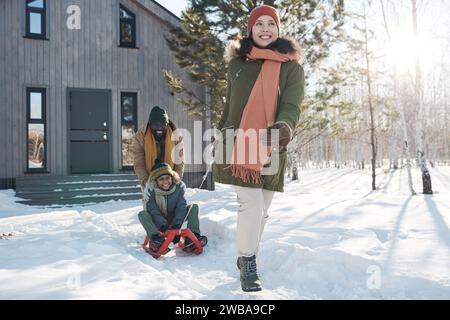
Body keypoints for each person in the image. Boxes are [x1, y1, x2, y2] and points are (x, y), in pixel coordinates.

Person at [213, 5, 305, 292]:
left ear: (278, 29)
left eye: (271, 24)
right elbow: (230, 104)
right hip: (236, 143)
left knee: (262, 211)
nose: (265, 28)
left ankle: (245, 256)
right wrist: (221, 133)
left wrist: (285, 126)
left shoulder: (291, 67)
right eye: (259, 24)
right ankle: (248, 261)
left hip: (272, 142)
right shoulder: (236, 64)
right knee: (250, 205)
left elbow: (292, 104)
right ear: (250, 29)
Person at [138, 162, 206, 253]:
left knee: (193, 207)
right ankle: (157, 240)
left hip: (175, 221)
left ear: (172, 177)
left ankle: (193, 237)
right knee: (142, 214)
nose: (165, 182)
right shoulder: (151, 192)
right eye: (161, 179)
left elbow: (181, 207)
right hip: (159, 223)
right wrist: (163, 226)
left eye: (167, 178)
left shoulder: (178, 189)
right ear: (156, 181)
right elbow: (153, 210)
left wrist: (176, 225)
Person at [131, 106, 184, 207]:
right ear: (150, 125)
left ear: (167, 124)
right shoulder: (140, 137)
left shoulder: (176, 136)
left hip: (169, 179)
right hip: (149, 178)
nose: (159, 127)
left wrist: (177, 179)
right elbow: (139, 162)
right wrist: (146, 182)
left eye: (162, 124)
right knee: (151, 209)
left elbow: (179, 161)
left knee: (171, 208)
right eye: (155, 125)